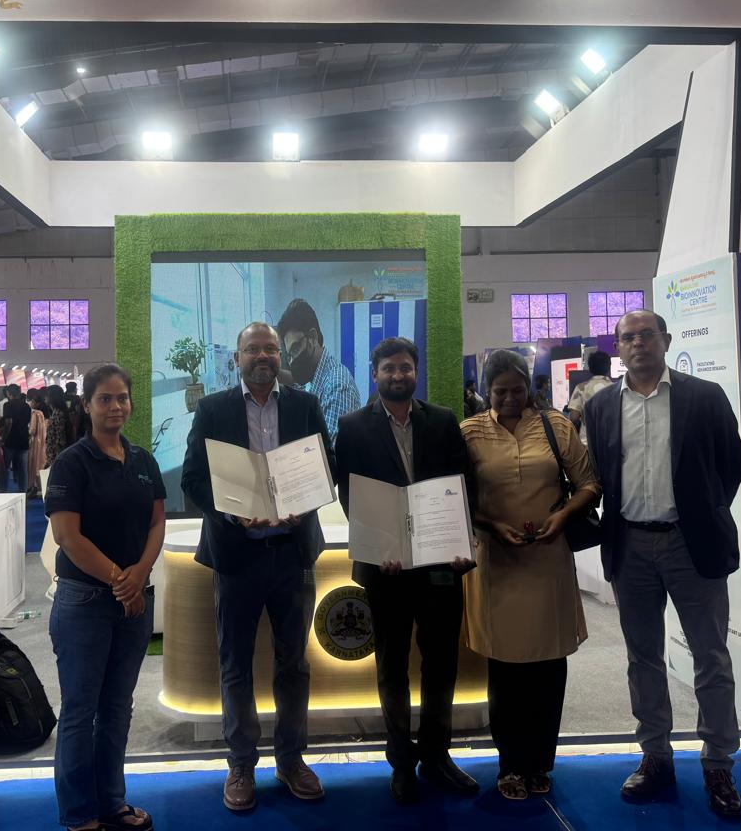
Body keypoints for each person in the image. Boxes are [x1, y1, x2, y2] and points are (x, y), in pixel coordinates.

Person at [583, 310, 741, 821]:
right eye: (627, 337)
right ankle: (655, 756)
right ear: (618, 347)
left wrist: (701, 514)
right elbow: (600, 472)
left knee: (710, 656)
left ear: (666, 340)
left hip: (690, 544)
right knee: (643, 658)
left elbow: (730, 465)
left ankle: (718, 764)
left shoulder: (704, 397)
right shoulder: (602, 405)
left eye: (646, 335)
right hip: (630, 545)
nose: (637, 343)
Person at [181, 322, 333, 812]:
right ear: (238, 358)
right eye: (253, 349)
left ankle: (290, 759)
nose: (263, 356)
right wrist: (231, 512)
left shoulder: (305, 405)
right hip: (236, 556)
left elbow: (325, 465)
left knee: (295, 664)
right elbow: (192, 479)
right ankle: (241, 763)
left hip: (292, 554)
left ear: (279, 356)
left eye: (270, 348)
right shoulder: (213, 409)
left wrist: (305, 503)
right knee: (235, 664)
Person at [334, 337, 478, 804]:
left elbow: (463, 484)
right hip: (387, 569)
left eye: (405, 368)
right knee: (392, 668)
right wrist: (380, 546)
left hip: (440, 565)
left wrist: (462, 540)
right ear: (375, 373)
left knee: (442, 665)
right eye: (389, 369)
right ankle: (401, 764)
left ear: (416, 372)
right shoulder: (352, 426)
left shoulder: (443, 420)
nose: (397, 375)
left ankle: (436, 755)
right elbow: (350, 496)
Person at [461, 350, 600, 800]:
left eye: (517, 389)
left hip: (547, 560)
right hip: (496, 562)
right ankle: (510, 765)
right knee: (504, 671)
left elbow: (589, 484)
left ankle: (540, 763)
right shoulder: (469, 432)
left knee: (548, 666)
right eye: (499, 391)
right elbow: (454, 496)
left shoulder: (555, 426)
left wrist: (562, 517)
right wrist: (490, 525)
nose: (509, 398)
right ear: (486, 390)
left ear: (529, 386)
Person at [46, 364, 165, 831]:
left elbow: (157, 522)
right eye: (104, 399)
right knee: (81, 710)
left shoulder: (143, 461)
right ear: (87, 404)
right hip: (85, 603)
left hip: (133, 603)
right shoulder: (72, 463)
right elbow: (67, 537)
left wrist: (140, 574)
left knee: (117, 708)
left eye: (122, 398)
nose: (115, 407)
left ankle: (111, 801)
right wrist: (123, 582)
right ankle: (79, 814)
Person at [277, 298, 360, 442]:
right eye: (289, 356)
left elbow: (329, 451)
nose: (292, 361)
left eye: (295, 348)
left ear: (313, 337)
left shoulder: (337, 386)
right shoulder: (316, 376)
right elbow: (298, 385)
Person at [567, 351, 613, 446]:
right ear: (609, 367)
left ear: (590, 368)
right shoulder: (616, 389)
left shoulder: (581, 388)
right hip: (611, 443)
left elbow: (574, 418)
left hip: (587, 443)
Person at [2, 384, 32, 494]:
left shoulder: (7, 405)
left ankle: (3, 491)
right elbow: (28, 422)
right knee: (23, 469)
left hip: (10, 440)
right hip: (23, 439)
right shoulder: (27, 406)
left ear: (8, 393)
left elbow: (8, 422)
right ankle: (23, 493)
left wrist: (4, 437)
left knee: (5, 467)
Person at [27, 388, 48, 499]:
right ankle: (41, 488)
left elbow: (32, 430)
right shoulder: (42, 413)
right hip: (42, 442)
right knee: (40, 465)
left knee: (34, 466)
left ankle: (34, 487)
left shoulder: (34, 414)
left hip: (35, 443)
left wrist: (27, 428)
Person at [46, 385, 72, 467]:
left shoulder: (58, 413)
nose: (45, 398)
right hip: (54, 454)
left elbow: (60, 438)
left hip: (57, 455)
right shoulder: (56, 412)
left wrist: (57, 458)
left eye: (47, 395)